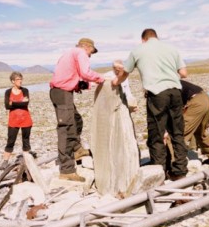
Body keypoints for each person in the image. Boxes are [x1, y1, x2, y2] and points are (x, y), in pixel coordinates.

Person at [113, 28, 188, 180]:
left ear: (143, 39)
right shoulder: (172, 49)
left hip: (157, 94)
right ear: (156, 37)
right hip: (175, 92)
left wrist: (115, 81)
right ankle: (180, 171)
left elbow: (125, 72)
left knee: (156, 134)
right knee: (177, 132)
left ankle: (160, 171)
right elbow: (184, 73)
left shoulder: (138, 50)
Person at [50, 38, 105, 182]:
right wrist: (101, 79)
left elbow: (68, 74)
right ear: (87, 47)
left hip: (61, 92)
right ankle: (67, 169)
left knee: (76, 120)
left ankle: (77, 149)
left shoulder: (69, 53)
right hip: (62, 93)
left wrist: (79, 86)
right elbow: (85, 73)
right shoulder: (80, 53)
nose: (90, 56)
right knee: (66, 129)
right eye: (91, 52)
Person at [0, 71, 34, 170]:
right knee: (10, 141)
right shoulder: (8, 92)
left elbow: (25, 104)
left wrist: (13, 103)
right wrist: (20, 102)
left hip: (26, 119)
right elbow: (7, 106)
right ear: (13, 81)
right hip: (13, 120)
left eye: (21, 79)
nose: (20, 81)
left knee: (26, 140)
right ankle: (5, 161)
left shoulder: (25, 90)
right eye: (18, 79)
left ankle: (27, 160)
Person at [179, 80, 209, 164]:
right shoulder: (172, 80)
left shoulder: (163, 87)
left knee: (178, 132)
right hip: (206, 99)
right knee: (200, 131)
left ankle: (175, 165)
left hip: (196, 101)